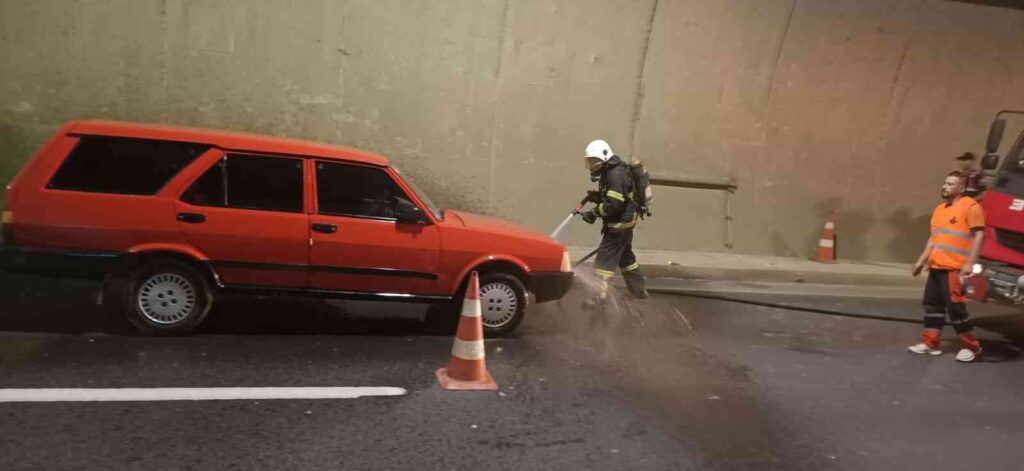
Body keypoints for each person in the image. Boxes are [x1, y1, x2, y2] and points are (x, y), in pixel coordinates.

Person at [908, 171, 985, 362]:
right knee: (933, 306)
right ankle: (930, 343)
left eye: (950, 184)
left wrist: (970, 263)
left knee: (956, 309)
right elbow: (934, 239)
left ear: (961, 188)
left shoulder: (971, 207)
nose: (944, 186)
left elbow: (979, 236)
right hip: (936, 267)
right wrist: (921, 260)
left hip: (954, 268)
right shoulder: (940, 210)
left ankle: (972, 346)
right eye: (945, 183)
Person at [578, 139, 648, 310]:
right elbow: (615, 196)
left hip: (619, 225)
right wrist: (597, 197)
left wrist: (593, 213)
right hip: (624, 223)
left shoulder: (615, 174)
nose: (592, 165)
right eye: (590, 162)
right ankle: (639, 291)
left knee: (603, 261)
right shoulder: (612, 171)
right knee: (627, 260)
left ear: (604, 156)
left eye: (594, 161)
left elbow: (613, 205)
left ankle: (599, 298)